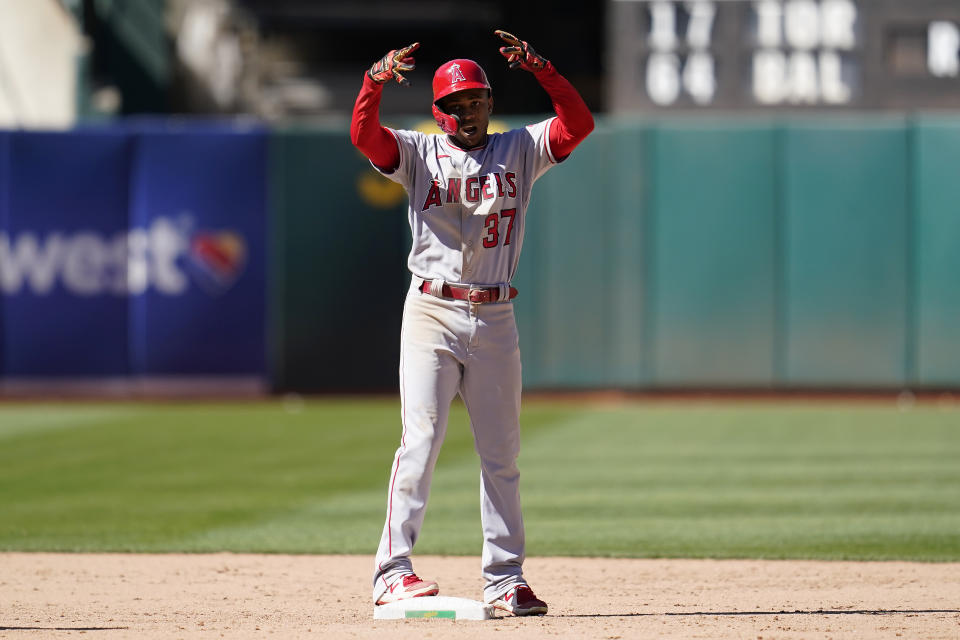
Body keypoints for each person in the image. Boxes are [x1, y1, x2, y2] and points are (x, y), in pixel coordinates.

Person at [350, 30, 594, 616]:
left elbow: (577, 123)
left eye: (476, 101)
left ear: (489, 102)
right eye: (456, 105)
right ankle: (391, 570)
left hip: (496, 313)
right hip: (431, 310)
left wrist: (544, 70)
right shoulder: (417, 151)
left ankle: (505, 578)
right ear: (439, 112)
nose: (468, 112)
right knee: (422, 441)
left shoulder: (520, 147)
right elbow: (365, 136)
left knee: (502, 453)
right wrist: (373, 82)